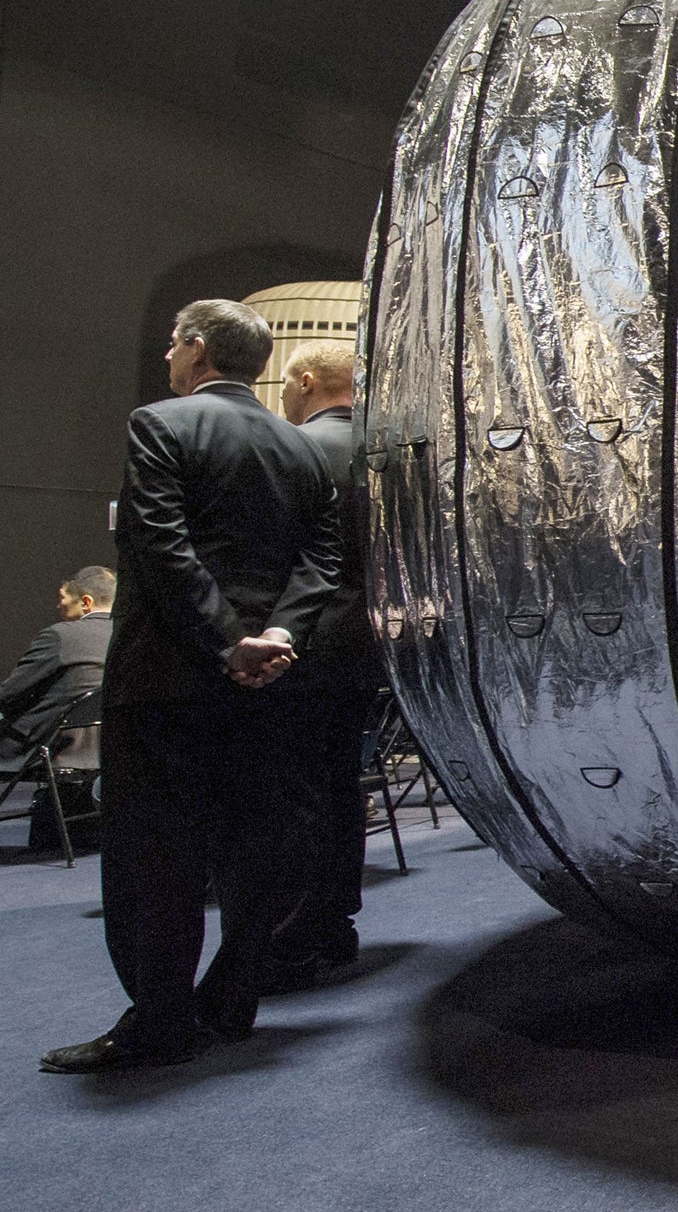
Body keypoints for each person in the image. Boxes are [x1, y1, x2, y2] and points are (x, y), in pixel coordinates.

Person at [40, 299, 340, 1075]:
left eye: (176, 345)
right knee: (258, 844)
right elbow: (322, 559)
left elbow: (159, 542)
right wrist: (277, 635)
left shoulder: (161, 424)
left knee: (153, 859)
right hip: (269, 682)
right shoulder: (302, 448)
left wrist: (222, 640)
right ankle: (233, 998)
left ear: (196, 349)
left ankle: (162, 1021)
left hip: (168, 676)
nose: (170, 358)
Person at [266, 339, 383, 987]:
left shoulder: (295, 449)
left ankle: (292, 939)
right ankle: (338, 922)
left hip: (303, 642)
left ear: (306, 381)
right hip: (369, 647)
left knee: (295, 795)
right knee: (343, 785)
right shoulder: (388, 453)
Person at [0, 567, 115, 770]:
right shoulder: (128, 637)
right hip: (100, 749)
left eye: (63, 598)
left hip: (43, 744)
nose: (59, 605)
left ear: (86, 602)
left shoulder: (60, 636)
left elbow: (6, 699)